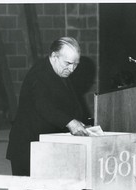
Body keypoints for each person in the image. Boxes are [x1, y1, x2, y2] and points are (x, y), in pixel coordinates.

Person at [7, 37, 90, 176]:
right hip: (28, 149)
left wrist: (79, 120)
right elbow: (44, 106)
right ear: (54, 56)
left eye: (76, 64)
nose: (72, 69)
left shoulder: (59, 72)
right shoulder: (39, 75)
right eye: (68, 63)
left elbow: (68, 103)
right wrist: (70, 122)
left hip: (44, 147)